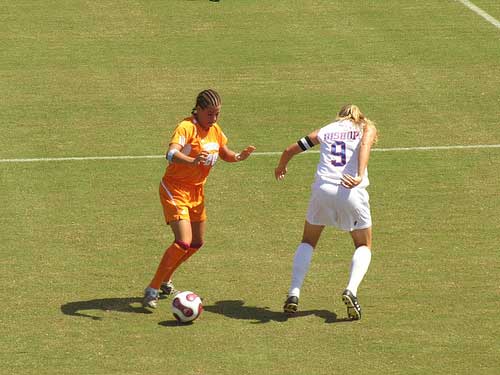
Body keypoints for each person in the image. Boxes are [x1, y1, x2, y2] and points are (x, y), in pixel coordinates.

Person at [143, 89, 256, 309]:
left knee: (196, 243)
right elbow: (171, 153)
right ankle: (152, 288)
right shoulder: (187, 127)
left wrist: (239, 156)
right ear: (199, 110)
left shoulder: (214, 130)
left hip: (197, 192)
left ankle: (166, 280)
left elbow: (224, 153)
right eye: (210, 114)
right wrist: (191, 161)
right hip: (175, 189)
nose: (213, 119)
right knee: (182, 242)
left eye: (217, 114)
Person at [274, 104, 378, 320]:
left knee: (308, 241)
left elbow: (290, 149)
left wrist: (281, 166)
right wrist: (359, 176)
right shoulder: (366, 127)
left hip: (322, 191)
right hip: (350, 191)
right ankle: (351, 290)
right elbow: (366, 145)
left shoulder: (327, 130)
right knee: (363, 244)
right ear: (359, 116)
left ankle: (294, 292)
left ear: (340, 116)